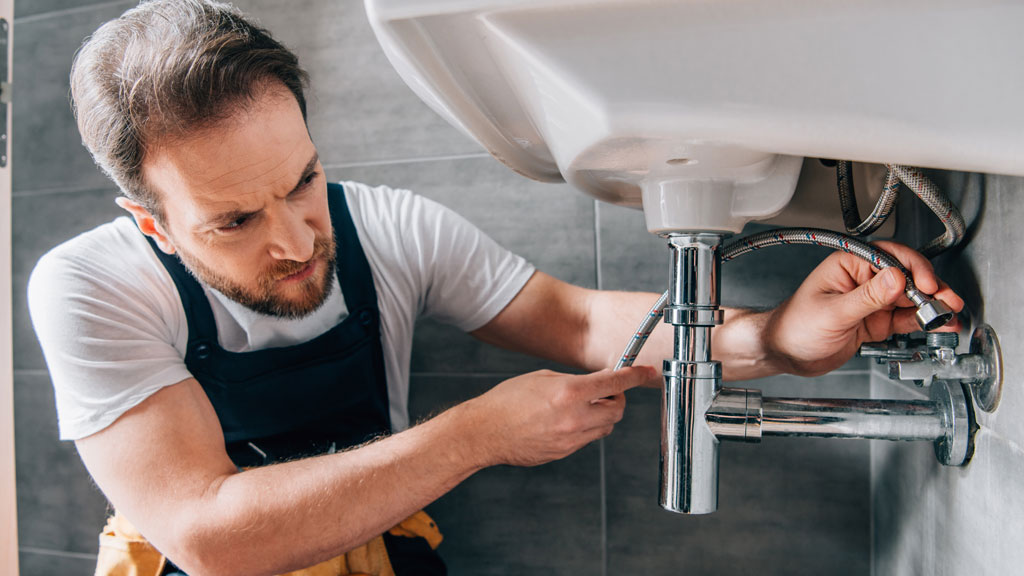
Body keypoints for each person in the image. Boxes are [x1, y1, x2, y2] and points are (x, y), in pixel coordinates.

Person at [27, 1, 963, 575]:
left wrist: (776, 339)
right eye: (234, 222)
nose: (296, 239)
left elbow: (578, 320)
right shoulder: (89, 286)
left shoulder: (384, 227)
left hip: (386, 555)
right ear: (149, 219)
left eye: (304, 180)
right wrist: (475, 435)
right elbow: (208, 535)